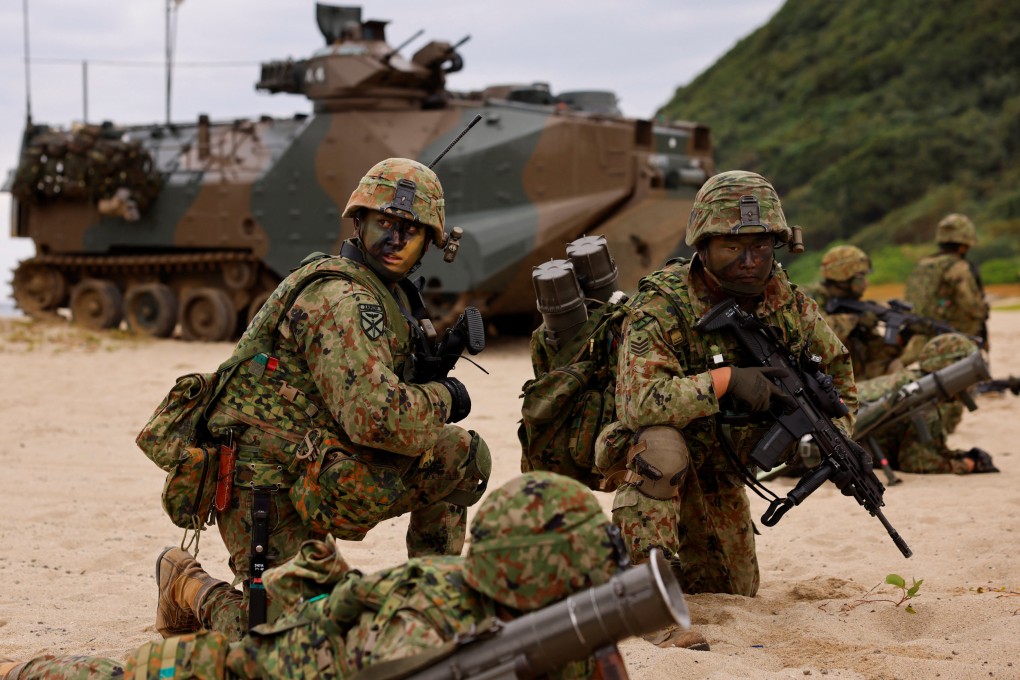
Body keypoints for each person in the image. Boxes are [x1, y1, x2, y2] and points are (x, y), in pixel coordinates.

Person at [159, 158, 491, 640]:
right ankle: (187, 586)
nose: (396, 240)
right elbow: (376, 420)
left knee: (459, 453)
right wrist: (445, 393)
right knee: (300, 638)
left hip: (318, 467)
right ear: (359, 222)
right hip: (266, 485)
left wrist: (430, 367)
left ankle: (432, 598)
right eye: (385, 224)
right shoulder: (341, 298)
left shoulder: (391, 294)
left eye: (411, 230)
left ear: (430, 242)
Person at [0, 472, 626, 680]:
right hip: (276, 667)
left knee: (257, 614)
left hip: (325, 616)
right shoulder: (425, 631)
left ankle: (189, 585)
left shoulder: (553, 622)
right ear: (545, 573)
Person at [596, 171, 856, 613]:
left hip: (725, 466)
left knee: (733, 590)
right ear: (703, 246)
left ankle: (626, 566)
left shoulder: (791, 305)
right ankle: (641, 600)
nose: (750, 260)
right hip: (659, 455)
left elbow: (842, 386)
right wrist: (726, 382)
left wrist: (818, 439)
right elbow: (639, 402)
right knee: (661, 449)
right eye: (732, 247)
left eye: (759, 246)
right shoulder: (664, 304)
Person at [856, 334, 999, 475]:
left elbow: (924, 447)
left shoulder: (911, 381)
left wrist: (957, 455)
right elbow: (917, 463)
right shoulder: (922, 398)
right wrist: (966, 465)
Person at [809, 244, 904, 380]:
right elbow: (816, 335)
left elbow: (877, 357)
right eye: (860, 277)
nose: (865, 283)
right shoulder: (809, 298)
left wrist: (901, 341)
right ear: (843, 277)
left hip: (856, 381)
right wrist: (854, 320)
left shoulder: (852, 304)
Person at [904, 213, 989, 353]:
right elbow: (974, 308)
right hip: (950, 339)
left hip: (917, 336)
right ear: (963, 246)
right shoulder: (958, 267)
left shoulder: (923, 264)